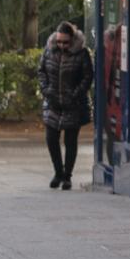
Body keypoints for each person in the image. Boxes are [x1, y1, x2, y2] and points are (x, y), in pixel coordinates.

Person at [37, 21, 94, 191]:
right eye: (59, 41)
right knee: (51, 139)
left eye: (65, 42)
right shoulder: (49, 51)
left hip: (73, 104)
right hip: (53, 102)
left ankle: (67, 176)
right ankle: (58, 172)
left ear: (72, 40)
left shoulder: (82, 54)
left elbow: (87, 76)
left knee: (70, 141)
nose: (61, 45)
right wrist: (46, 90)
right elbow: (41, 72)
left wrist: (76, 94)